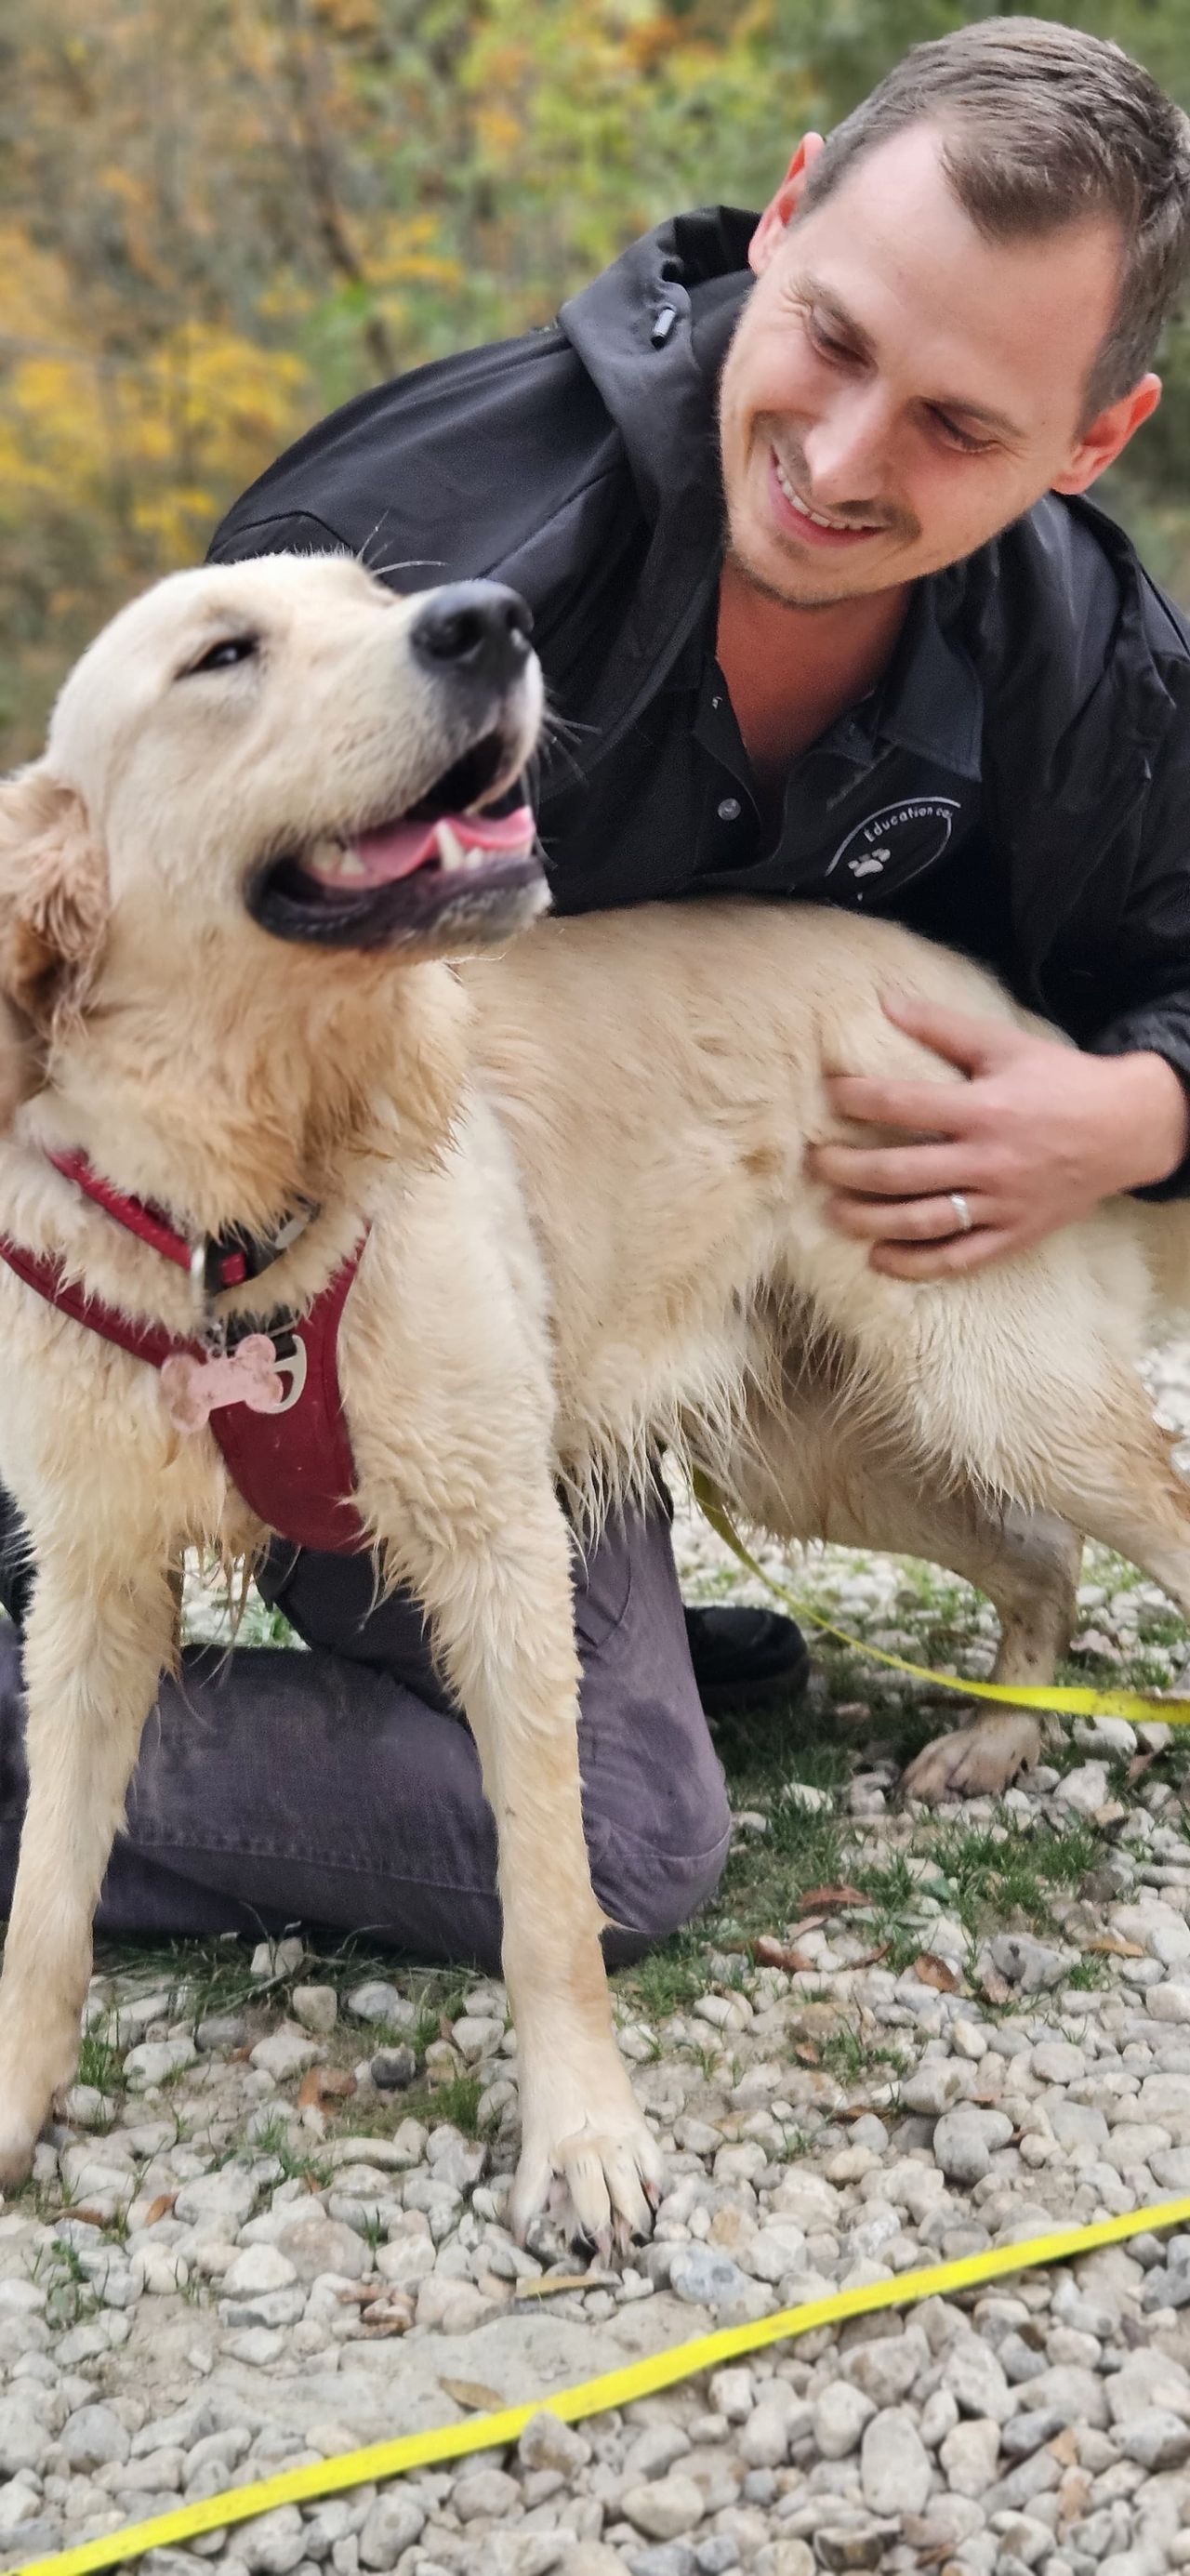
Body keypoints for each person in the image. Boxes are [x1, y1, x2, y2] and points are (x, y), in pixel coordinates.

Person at [4, 15, 1190, 1972]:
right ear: (781, 215)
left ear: (1090, 444)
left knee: (777, 1523)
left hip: (677, 1188)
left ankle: (641, 1598)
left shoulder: (1090, 658)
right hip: (355, 1252)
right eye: (829, 338)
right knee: (632, 1830)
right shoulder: (420, 540)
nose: (837, 456)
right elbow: (130, 1003)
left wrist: (1136, 1110)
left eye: (962, 429)